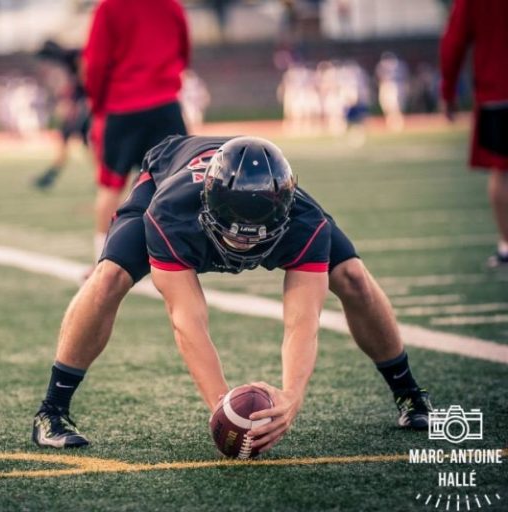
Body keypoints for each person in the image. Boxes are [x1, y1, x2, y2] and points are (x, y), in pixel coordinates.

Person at [31, 135, 433, 450]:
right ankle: (51, 411)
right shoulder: (170, 213)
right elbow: (187, 320)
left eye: (255, 233)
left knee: (354, 277)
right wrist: (223, 408)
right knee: (108, 278)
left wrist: (291, 397)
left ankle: (410, 396)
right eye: (232, 229)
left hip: (248, 191)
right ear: (210, 205)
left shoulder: (303, 220)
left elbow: (302, 321)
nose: (241, 244)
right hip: (166, 172)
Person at [84, 0, 190, 264]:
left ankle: (102, 262)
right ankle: (178, 258)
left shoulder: (109, 7)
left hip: (122, 108)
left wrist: (98, 106)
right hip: (165, 106)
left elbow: (95, 62)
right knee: (176, 186)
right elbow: (184, 49)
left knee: (110, 187)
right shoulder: (170, 5)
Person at [440, 0, 508, 269]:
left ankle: (506, 244)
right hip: (496, 91)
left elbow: (454, 40)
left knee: (502, 171)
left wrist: (448, 90)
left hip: (497, 91)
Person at [32, 40, 91, 191]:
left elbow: (85, 81)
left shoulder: (75, 57)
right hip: (82, 103)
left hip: (85, 104)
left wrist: (75, 102)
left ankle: (51, 175)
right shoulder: (70, 60)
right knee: (80, 141)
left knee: (81, 140)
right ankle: (51, 174)